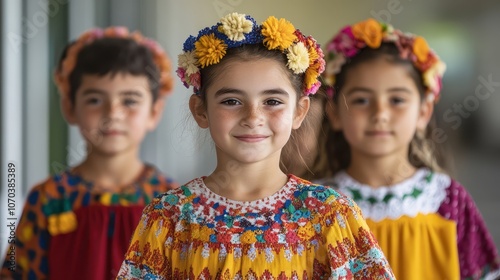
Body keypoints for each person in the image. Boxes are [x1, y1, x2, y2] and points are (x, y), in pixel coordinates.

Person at [115, 13, 395, 279]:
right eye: (231, 101)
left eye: (272, 101)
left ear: (299, 112)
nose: (253, 118)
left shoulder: (331, 214)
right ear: (200, 110)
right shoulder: (168, 218)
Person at [318, 18, 500, 279]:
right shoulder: (315, 206)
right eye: (361, 99)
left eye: (397, 100)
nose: (380, 113)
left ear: (424, 111)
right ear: (334, 112)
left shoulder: (447, 200)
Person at [0, 27, 179, 280]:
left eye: (129, 101)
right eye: (95, 100)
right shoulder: (49, 198)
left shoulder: (172, 203)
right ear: (70, 107)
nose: (113, 114)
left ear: (154, 112)